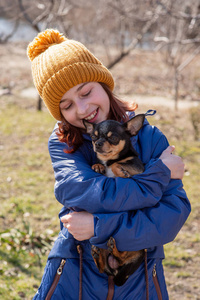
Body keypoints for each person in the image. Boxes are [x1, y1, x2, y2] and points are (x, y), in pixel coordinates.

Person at [27, 29, 191, 300]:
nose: (81, 109)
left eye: (86, 92)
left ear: (104, 84)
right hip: (73, 280)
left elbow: (171, 218)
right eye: (66, 105)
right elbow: (81, 193)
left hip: (140, 283)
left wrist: (96, 227)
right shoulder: (64, 144)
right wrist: (158, 176)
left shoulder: (150, 138)